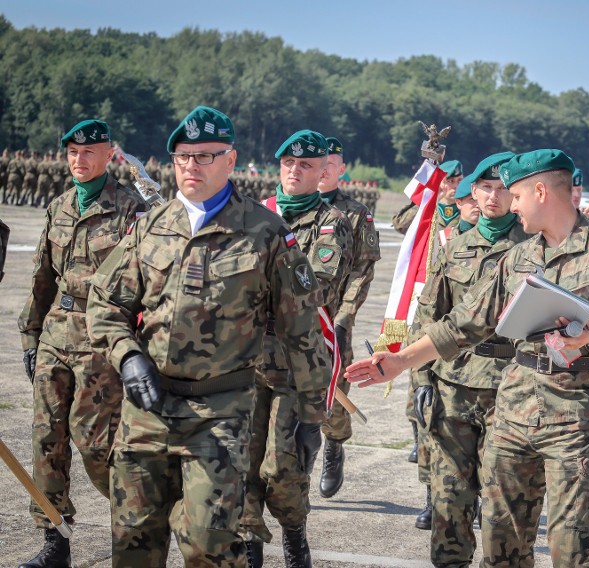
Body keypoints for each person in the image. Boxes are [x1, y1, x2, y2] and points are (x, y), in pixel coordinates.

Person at [347, 149, 589, 567]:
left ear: (539, 191)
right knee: (501, 543)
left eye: (515, 195)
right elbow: (464, 323)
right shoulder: (519, 257)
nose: (511, 205)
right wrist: (401, 361)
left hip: (574, 417)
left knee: (572, 548)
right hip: (513, 411)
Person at [86, 106, 331, 567]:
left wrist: (312, 416)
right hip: (148, 408)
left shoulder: (266, 233)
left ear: (230, 161)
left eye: (203, 157)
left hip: (220, 415)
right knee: (134, 545)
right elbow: (106, 304)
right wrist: (128, 357)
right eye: (182, 157)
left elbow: (302, 331)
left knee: (209, 546)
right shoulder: (152, 226)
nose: (190, 167)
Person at [17, 119, 148, 568]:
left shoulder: (131, 208)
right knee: (45, 438)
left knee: (95, 443)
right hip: (56, 332)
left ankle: (134, 525)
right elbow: (41, 278)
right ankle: (55, 541)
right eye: (72, 151)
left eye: (89, 152)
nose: (79, 159)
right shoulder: (59, 206)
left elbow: (149, 280)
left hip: (102, 337)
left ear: (109, 154)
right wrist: (30, 334)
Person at [410, 152, 530, 564]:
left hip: (511, 388)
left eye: (502, 189)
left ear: (515, 195)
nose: (493, 196)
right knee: (449, 499)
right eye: (485, 188)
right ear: (473, 193)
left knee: (502, 502)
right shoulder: (454, 247)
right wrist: (421, 380)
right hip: (454, 387)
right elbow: (428, 316)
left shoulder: (536, 247)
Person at [241, 129, 354, 568]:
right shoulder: (252, 215)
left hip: (297, 362)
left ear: (322, 171)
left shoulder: (332, 224)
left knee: (282, 469)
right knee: (243, 462)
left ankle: (293, 531)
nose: (295, 170)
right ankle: (250, 545)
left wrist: (253, 285)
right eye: (289, 163)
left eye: (305, 165)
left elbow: (314, 289)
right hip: (248, 359)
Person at [406, 169, 481, 530]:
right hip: (441, 352)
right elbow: (428, 311)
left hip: (483, 363)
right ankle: (430, 497)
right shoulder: (444, 241)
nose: (474, 207)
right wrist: (420, 370)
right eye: (466, 200)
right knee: (429, 428)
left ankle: (474, 500)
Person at [316, 136, 381, 500]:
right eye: (318, 162)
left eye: (331, 163)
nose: (323, 168)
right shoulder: (280, 207)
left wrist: (343, 318)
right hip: (283, 319)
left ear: (342, 170)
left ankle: (334, 443)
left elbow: (362, 271)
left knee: (334, 387)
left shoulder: (356, 213)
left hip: (332, 317)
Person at [391, 160, 463, 234]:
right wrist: (428, 203)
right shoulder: (427, 207)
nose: (456, 186)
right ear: (440, 182)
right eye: (450, 181)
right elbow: (400, 225)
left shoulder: (468, 209)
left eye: (460, 181)